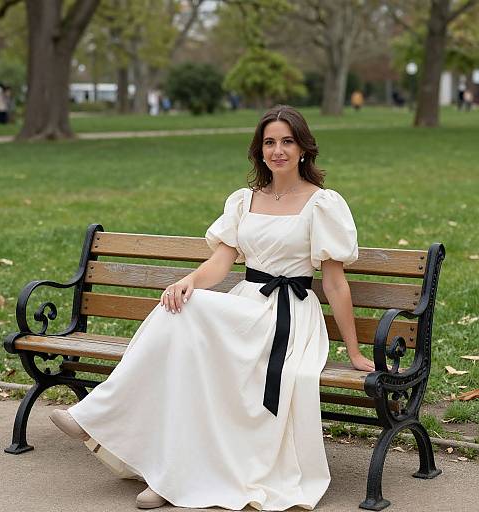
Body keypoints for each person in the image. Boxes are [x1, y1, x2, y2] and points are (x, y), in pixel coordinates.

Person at [50, 105, 375, 510]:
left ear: (303, 149)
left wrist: (356, 351)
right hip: (245, 307)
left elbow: (334, 281)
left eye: (287, 141)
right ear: (259, 151)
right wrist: (187, 281)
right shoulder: (244, 200)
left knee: (192, 317)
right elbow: (221, 263)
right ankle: (160, 466)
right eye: (269, 142)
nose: (278, 150)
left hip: (287, 318)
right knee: (181, 312)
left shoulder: (322, 203)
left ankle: (103, 421)